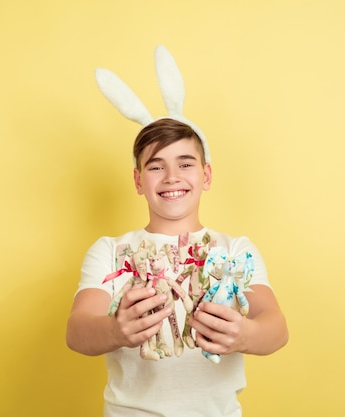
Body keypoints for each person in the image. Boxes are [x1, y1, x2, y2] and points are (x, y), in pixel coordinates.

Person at [66, 46, 288, 417]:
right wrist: (116, 332)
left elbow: (276, 328)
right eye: (156, 167)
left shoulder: (235, 251)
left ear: (207, 175)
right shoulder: (110, 251)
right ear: (138, 181)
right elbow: (76, 332)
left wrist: (245, 335)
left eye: (185, 163)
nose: (171, 177)